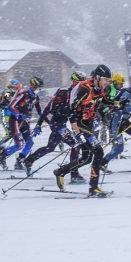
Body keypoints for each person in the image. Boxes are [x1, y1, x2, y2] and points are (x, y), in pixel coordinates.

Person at [55, 65, 113, 196]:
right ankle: (93, 188)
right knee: (99, 152)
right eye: (105, 79)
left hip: (89, 123)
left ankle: (60, 172)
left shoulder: (103, 89)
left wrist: (109, 110)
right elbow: (71, 111)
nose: (107, 83)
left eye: (109, 80)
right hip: (80, 124)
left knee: (86, 158)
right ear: (97, 78)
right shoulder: (86, 89)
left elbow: (102, 103)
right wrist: (77, 132)